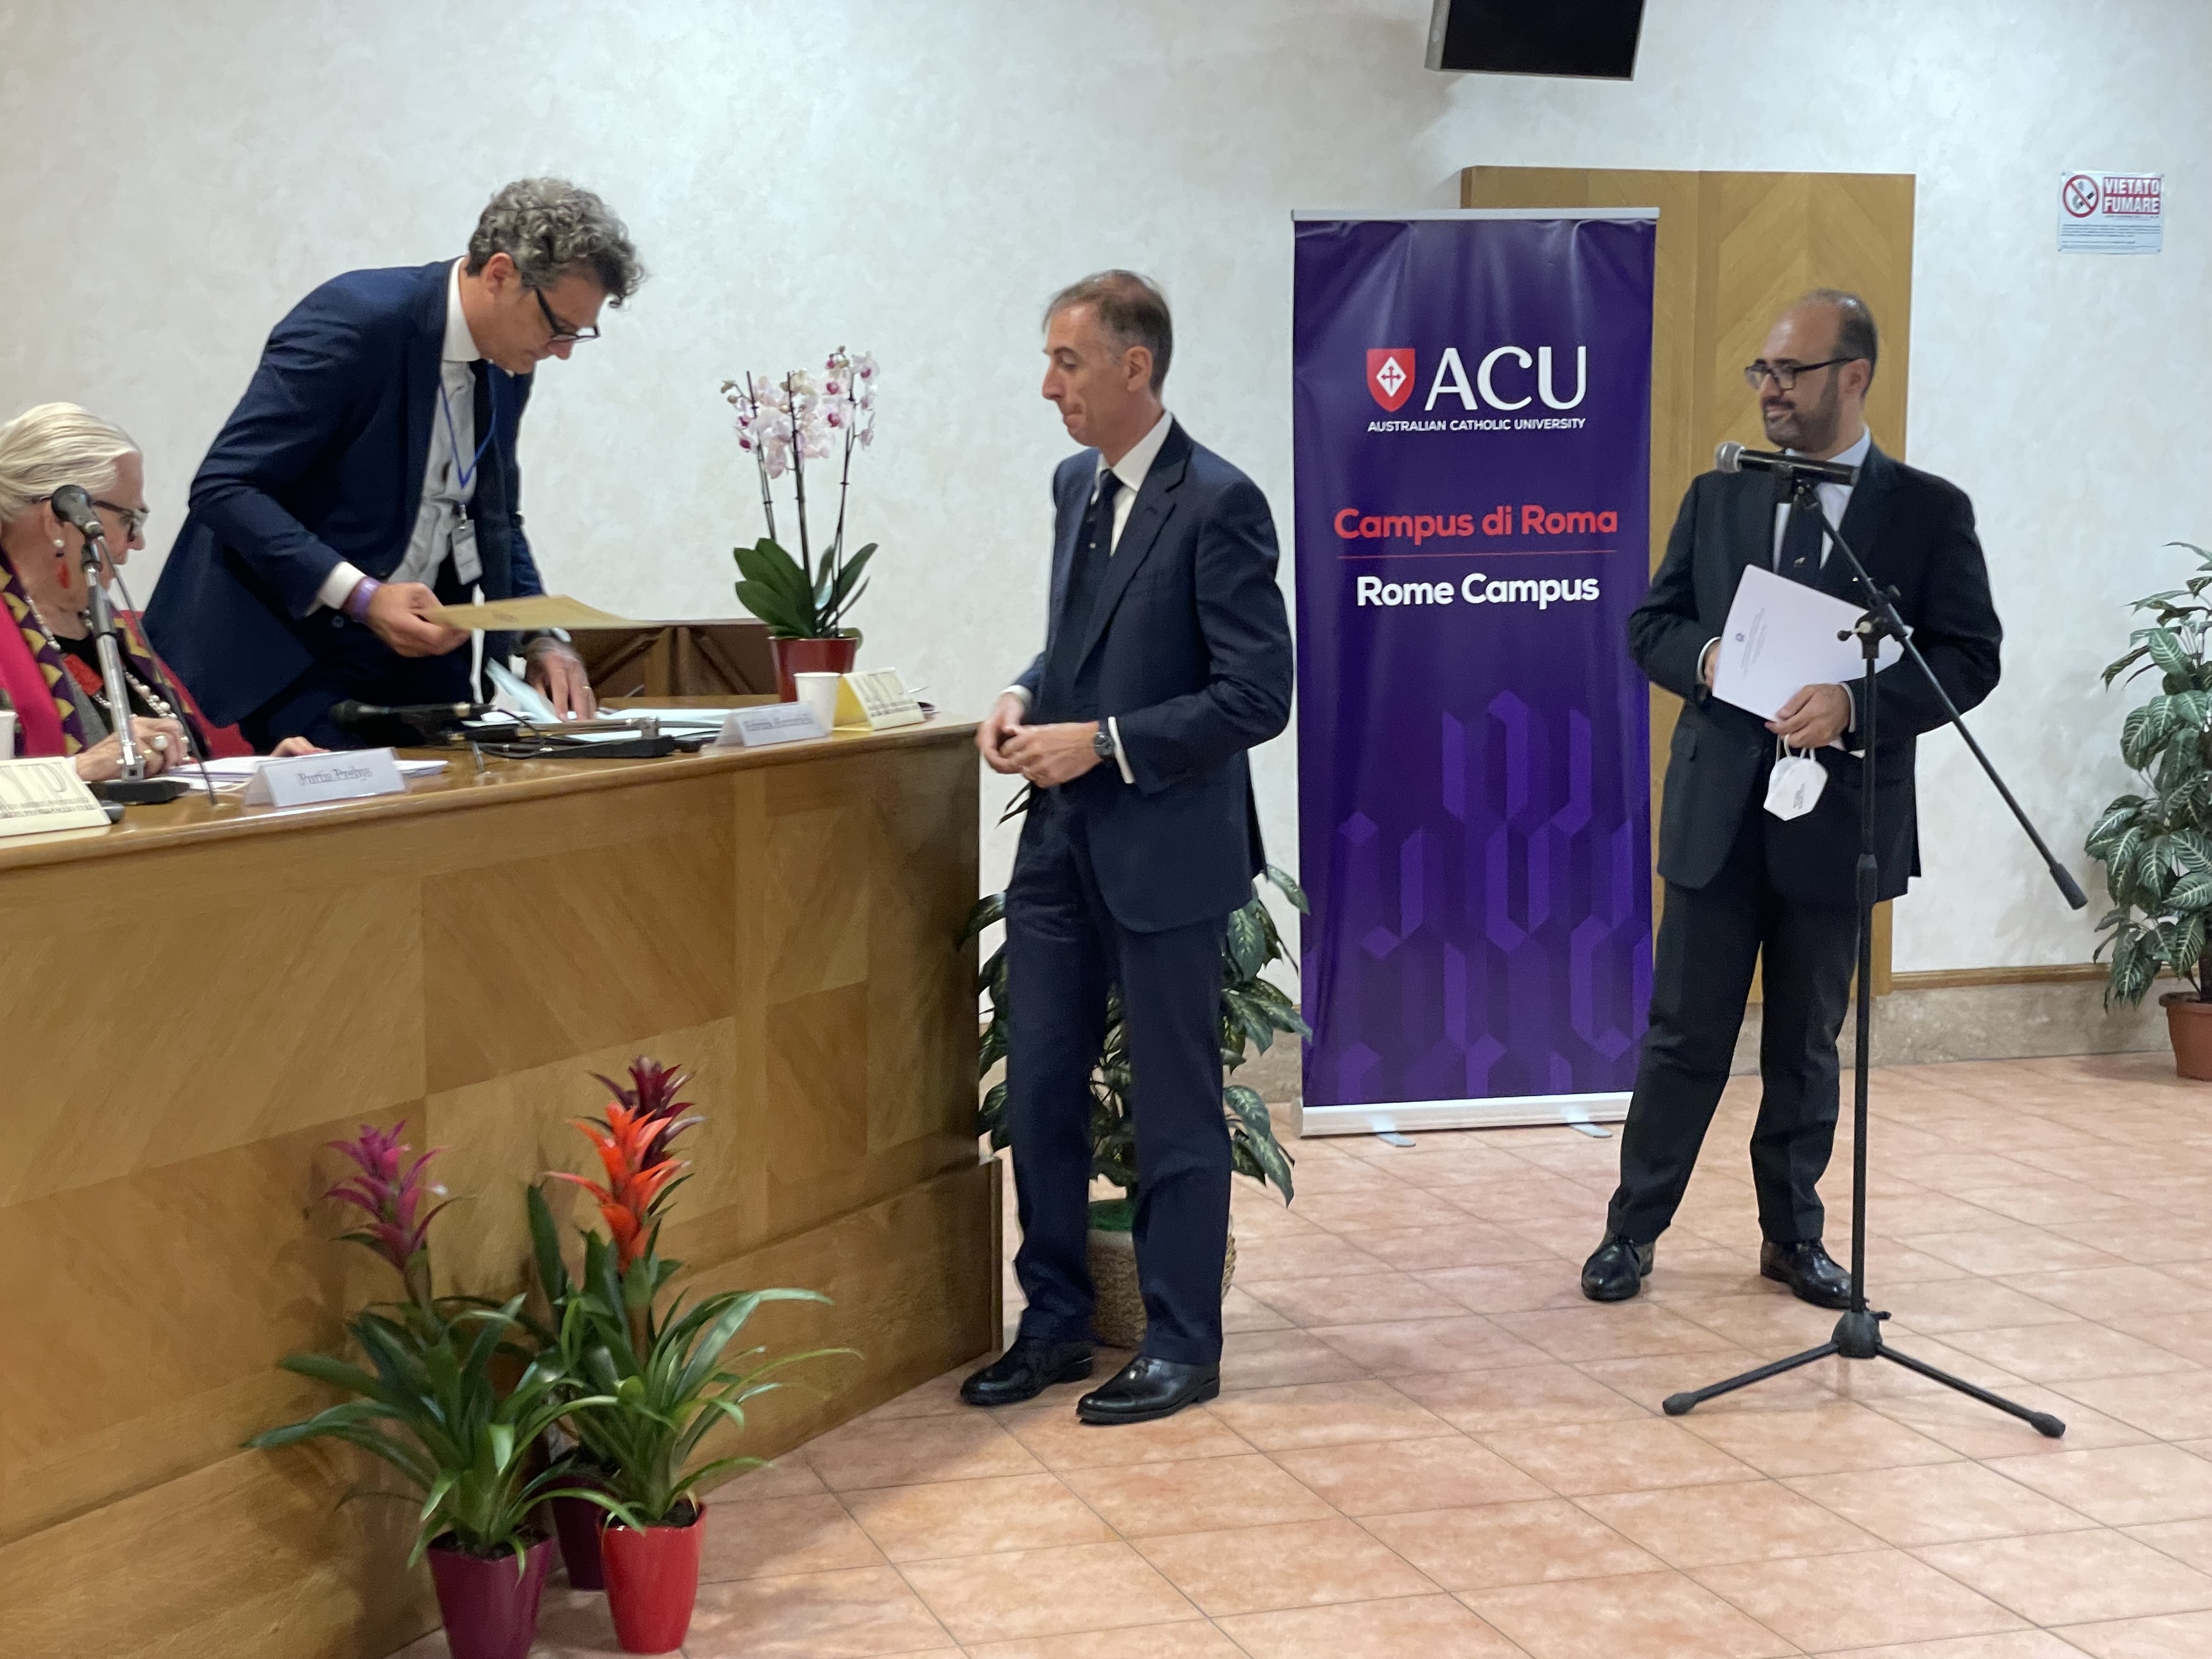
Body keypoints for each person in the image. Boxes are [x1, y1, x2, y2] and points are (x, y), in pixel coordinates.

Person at [1581, 290, 2002, 1307]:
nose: (1768, 389)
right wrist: (1711, 659)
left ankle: (1792, 1238)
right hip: (1719, 814)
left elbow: (1969, 657)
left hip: (1840, 817)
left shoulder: (1928, 511)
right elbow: (1651, 625)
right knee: (1684, 1034)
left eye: (1789, 371)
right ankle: (1631, 1232)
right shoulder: (1719, 494)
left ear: (1853, 376)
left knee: (1806, 1046)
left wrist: (1856, 703)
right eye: (1761, 371)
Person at [963, 272, 1294, 1425]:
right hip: (1059, 850)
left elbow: (1256, 695)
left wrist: (1101, 741)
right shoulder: (1076, 485)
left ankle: (1182, 1343)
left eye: (1067, 361)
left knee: (1174, 1102)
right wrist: (1024, 692)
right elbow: (1082, 641)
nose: (1047, 384)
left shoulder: (1222, 502)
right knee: (1041, 1086)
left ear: (1134, 366)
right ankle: (1054, 1323)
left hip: (1166, 851)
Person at [145, 178, 642, 750]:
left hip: (427, 650)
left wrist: (539, 634)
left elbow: (497, 518)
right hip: (309, 649)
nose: (564, 351)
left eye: (579, 334)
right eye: (558, 327)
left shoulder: (509, 364)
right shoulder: (357, 320)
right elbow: (226, 486)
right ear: (501, 275)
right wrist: (362, 596)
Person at [0, 402, 318, 780]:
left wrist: (256, 777)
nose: (138, 543)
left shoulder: (110, 630)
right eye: (128, 519)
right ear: (59, 520)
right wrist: (80, 769)